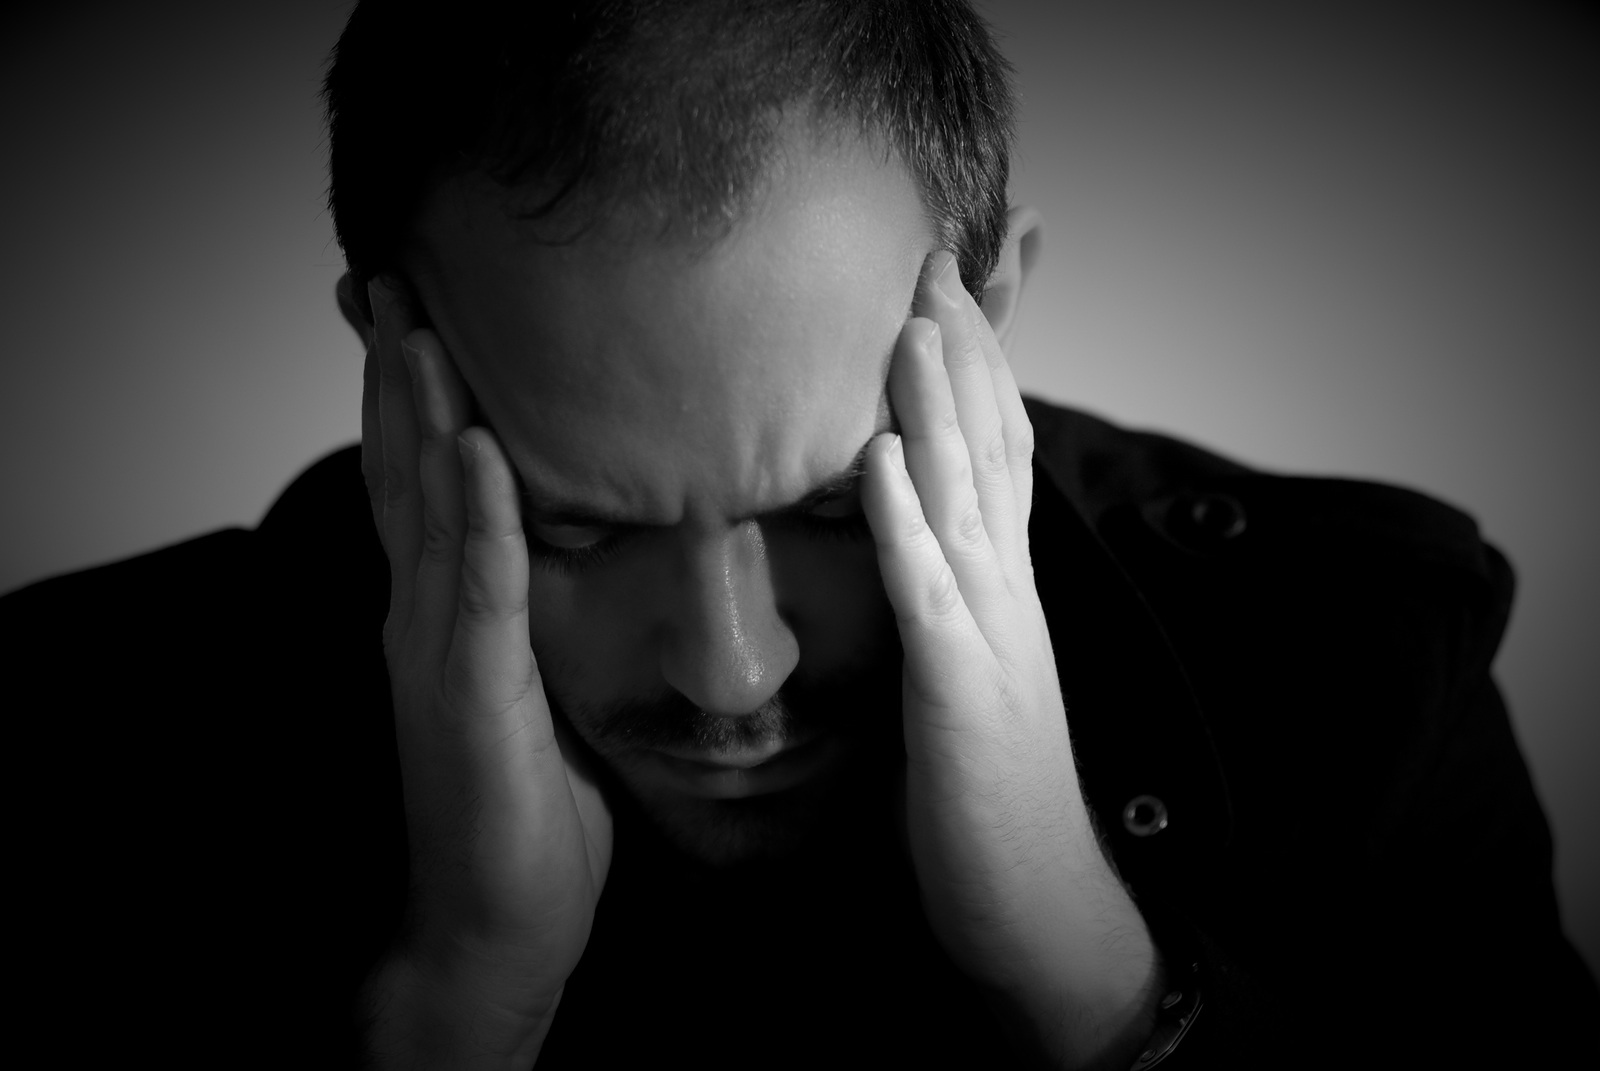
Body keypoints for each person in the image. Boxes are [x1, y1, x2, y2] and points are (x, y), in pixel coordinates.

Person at [3, 1, 1594, 1067]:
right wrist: (455, 1002)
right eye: (575, 527)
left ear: (988, 311)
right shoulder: (79, 738)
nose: (732, 673)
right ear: (389, 351)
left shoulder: (1358, 666)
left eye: (832, 507)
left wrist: (1089, 977)